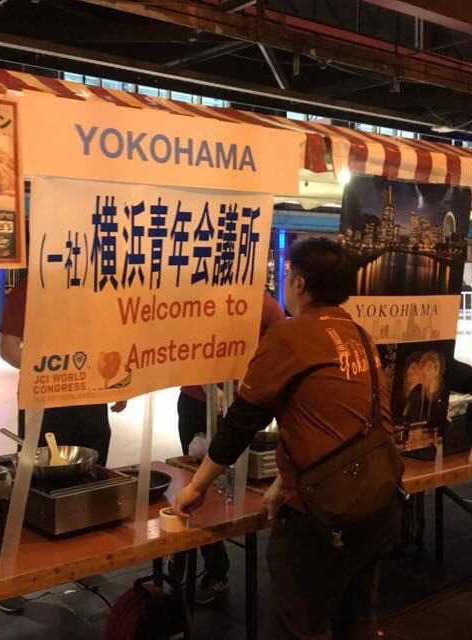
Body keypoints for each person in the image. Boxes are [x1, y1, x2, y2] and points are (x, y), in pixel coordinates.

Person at [175, 238, 402, 639]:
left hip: (324, 516)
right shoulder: (360, 335)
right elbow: (335, 420)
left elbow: (242, 421)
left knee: (298, 627)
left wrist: (197, 486)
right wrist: (283, 482)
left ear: (299, 282)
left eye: (287, 273)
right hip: (380, 501)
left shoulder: (290, 336)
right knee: (357, 622)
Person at [170, 290, 285, 604]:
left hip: (238, 409)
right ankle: (183, 549)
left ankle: (216, 569)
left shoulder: (266, 307)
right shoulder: (200, 298)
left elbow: (279, 358)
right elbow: (181, 344)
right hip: (194, 402)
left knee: (219, 491)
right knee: (191, 482)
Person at [0, 277, 125, 463]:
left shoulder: (97, 289)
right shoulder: (27, 290)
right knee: (61, 466)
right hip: (48, 398)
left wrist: (118, 382)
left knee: (80, 464)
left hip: (80, 395)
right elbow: (9, 350)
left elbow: (9, 350)